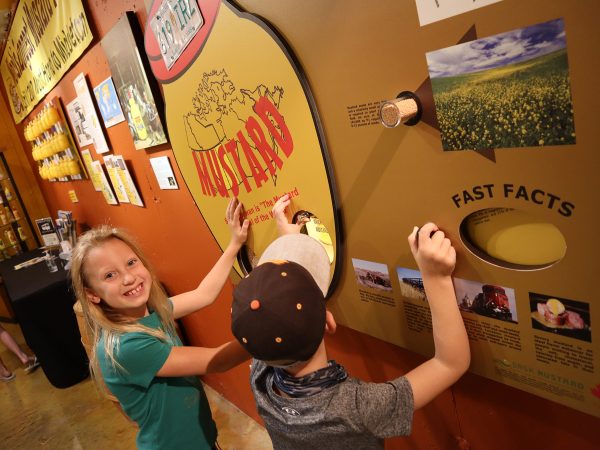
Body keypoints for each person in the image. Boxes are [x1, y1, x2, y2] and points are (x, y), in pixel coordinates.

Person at [230, 195, 471, 449]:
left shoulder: (260, 375)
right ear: (329, 323)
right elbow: (450, 362)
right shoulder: (357, 408)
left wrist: (289, 240)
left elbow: (268, 309)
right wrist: (435, 277)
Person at [70, 198, 250, 450]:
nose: (129, 278)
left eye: (131, 263)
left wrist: (234, 244)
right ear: (92, 294)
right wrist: (270, 334)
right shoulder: (126, 346)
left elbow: (203, 295)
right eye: (110, 275)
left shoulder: (150, 311)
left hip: (200, 438)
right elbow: (216, 360)